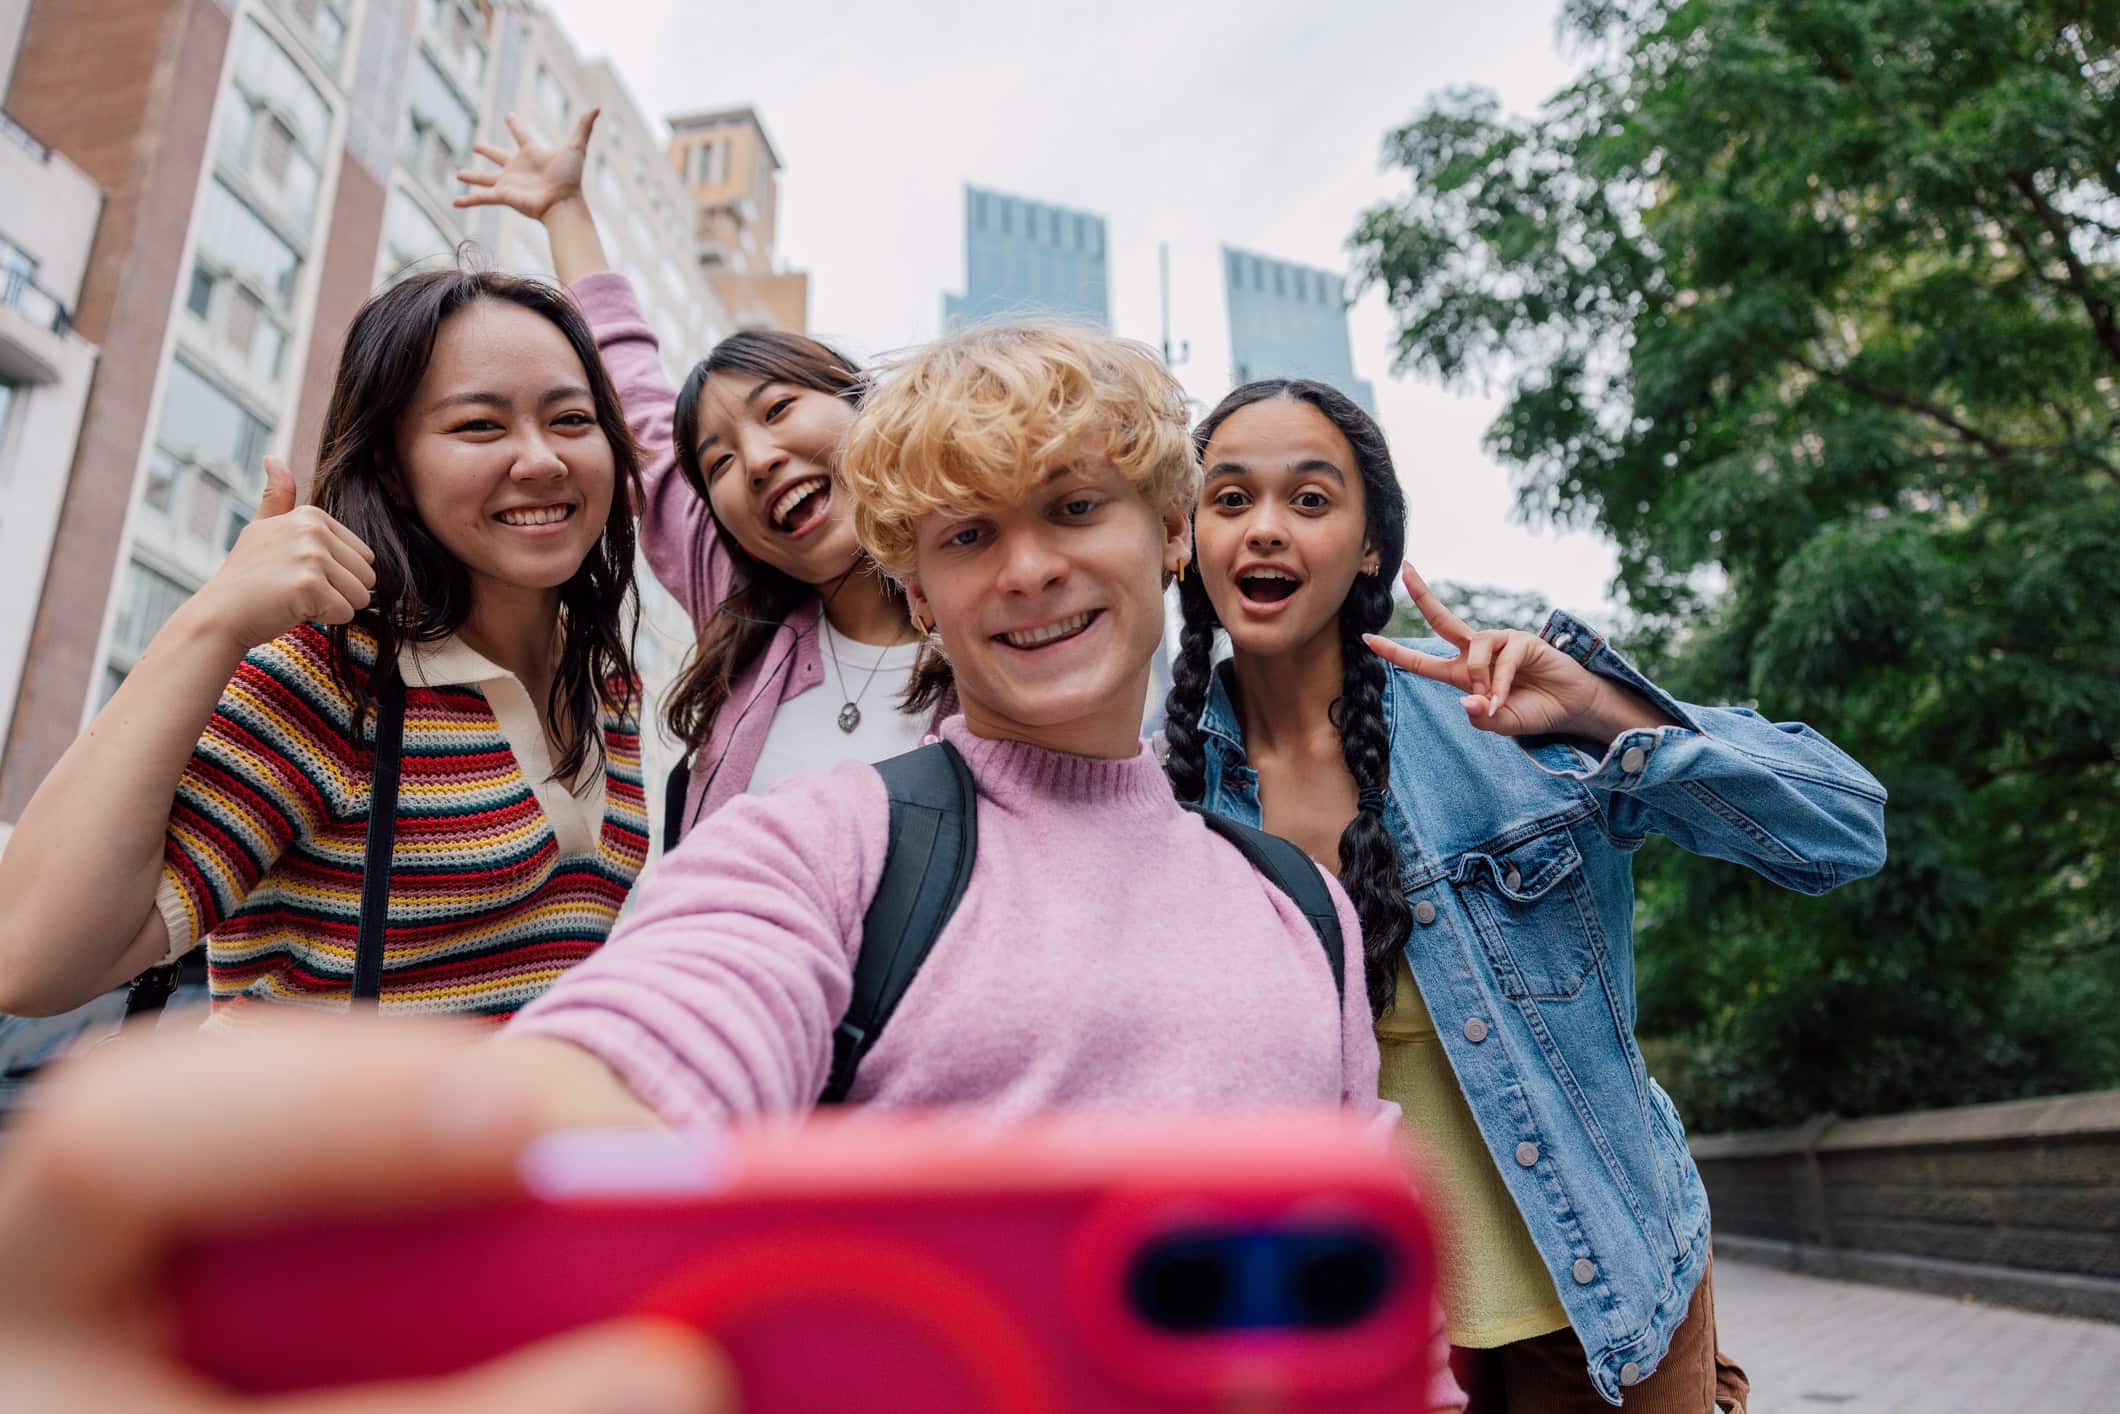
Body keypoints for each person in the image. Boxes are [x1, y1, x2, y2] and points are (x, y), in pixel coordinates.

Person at [1161, 379, 1889, 1411]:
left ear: (1371, 546)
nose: (1265, 528)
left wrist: (1598, 709)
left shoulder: (1500, 730)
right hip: (1352, 1343)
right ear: (1185, 535)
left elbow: (1841, 829)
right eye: (1228, 498)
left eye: (1311, 500)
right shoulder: (1160, 796)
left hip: (1604, 1312)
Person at [0, 270, 649, 1021]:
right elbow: (28, 960)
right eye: (480, 426)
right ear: (391, 472)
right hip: (312, 1141)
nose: (542, 460)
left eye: (571, 419)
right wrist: (211, 619)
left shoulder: (607, 683)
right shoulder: (329, 675)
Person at [458, 113, 949, 841]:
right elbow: (639, 402)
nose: (757, 460)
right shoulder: (738, 607)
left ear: (863, 406)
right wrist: (566, 211)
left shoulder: (990, 608)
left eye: (779, 408)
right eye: (718, 461)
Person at [0, 1018, 738, 1414]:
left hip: (495, 1217)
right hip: (315, 1191)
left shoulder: (602, 738)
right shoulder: (313, 732)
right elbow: (36, 946)